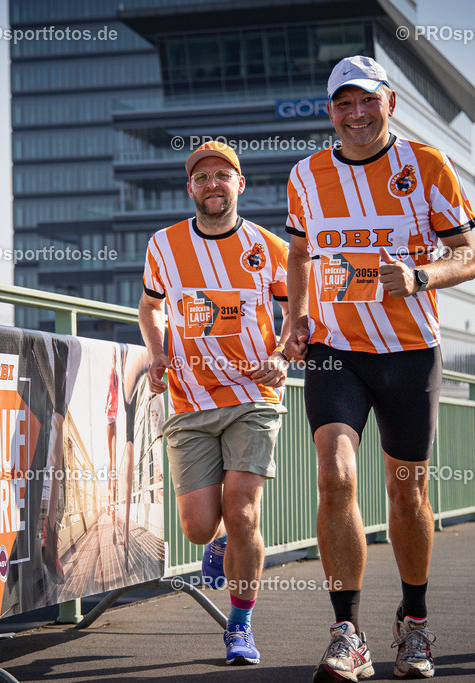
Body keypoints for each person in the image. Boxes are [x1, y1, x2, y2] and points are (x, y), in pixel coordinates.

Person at [284, 56, 475, 681]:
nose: (357, 113)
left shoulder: (425, 166)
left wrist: (419, 276)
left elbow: (468, 256)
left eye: (367, 101)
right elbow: (298, 251)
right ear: (330, 111)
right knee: (337, 477)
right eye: (344, 103)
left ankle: (414, 622)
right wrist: (294, 317)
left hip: (409, 351)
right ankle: (348, 632)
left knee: (407, 489)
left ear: (389, 103)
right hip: (336, 351)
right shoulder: (306, 175)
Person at [139, 140, 291, 665]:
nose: (211, 185)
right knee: (199, 527)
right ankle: (218, 540)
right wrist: (157, 353)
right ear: (190, 188)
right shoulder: (163, 244)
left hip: (254, 394)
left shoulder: (270, 247)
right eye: (201, 178)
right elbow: (149, 308)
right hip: (188, 399)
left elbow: (299, 315)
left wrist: (282, 354)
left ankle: (240, 625)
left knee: (243, 511)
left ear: (239, 184)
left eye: (221, 176)